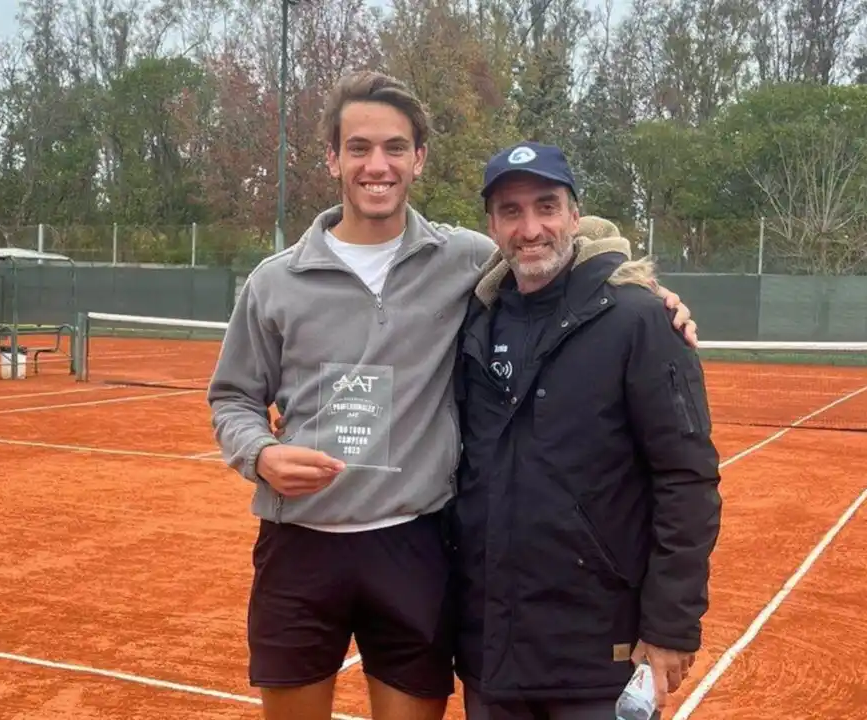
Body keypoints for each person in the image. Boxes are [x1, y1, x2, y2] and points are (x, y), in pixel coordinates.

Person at [206, 71, 698, 720]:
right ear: (332, 158)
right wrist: (262, 456)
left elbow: (561, 245)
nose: (376, 165)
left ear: (419, 159)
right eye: (358, 148)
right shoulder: (275, 282)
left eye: (393, 148)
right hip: (299, 547)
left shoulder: (464, 258)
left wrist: (646, 290)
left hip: (414, 545)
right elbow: (233, 398)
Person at [449, 141, 723, 720]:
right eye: (511, 211)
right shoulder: (475, 320)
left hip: (601, 655)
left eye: (546, 207)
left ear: (575, 215)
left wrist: (670, 626)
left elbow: (687, 479)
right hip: (492, 651)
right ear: (492, 226)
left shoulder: (641, 318)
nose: (531, 228)